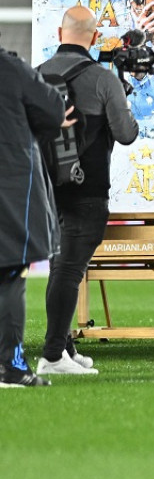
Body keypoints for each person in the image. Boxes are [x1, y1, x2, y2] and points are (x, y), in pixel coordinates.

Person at [36, 6, 139, 376]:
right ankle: (51, 356)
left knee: (59, 267)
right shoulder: (103, 79)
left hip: (44, 192)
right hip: (88, 188)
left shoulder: (35, 77)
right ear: (95, 38)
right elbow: (126, 134)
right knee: (68, 270)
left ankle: (63, 347)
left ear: (58, 32)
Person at [0, 47, 68, 387]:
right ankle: (10, 368)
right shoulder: (11, 69)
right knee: (10, 274)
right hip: (10, 186)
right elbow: (54, 109)